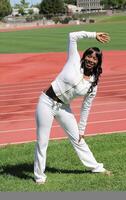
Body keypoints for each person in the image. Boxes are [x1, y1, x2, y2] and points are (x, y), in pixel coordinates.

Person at [34, 30, 111, 184]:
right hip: (47, 102)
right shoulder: (74, 60)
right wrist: (94, 35)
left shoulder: (93, 84)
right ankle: (39, 177)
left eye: (94, 59)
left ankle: (96, 167)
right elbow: (72, 36)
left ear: (98, 62)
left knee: (78, 138)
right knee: (42, 141)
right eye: (89, 56)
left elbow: (86, 107)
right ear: (84, 56)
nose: (90, 60)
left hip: (63, 107)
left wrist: (82, 129)